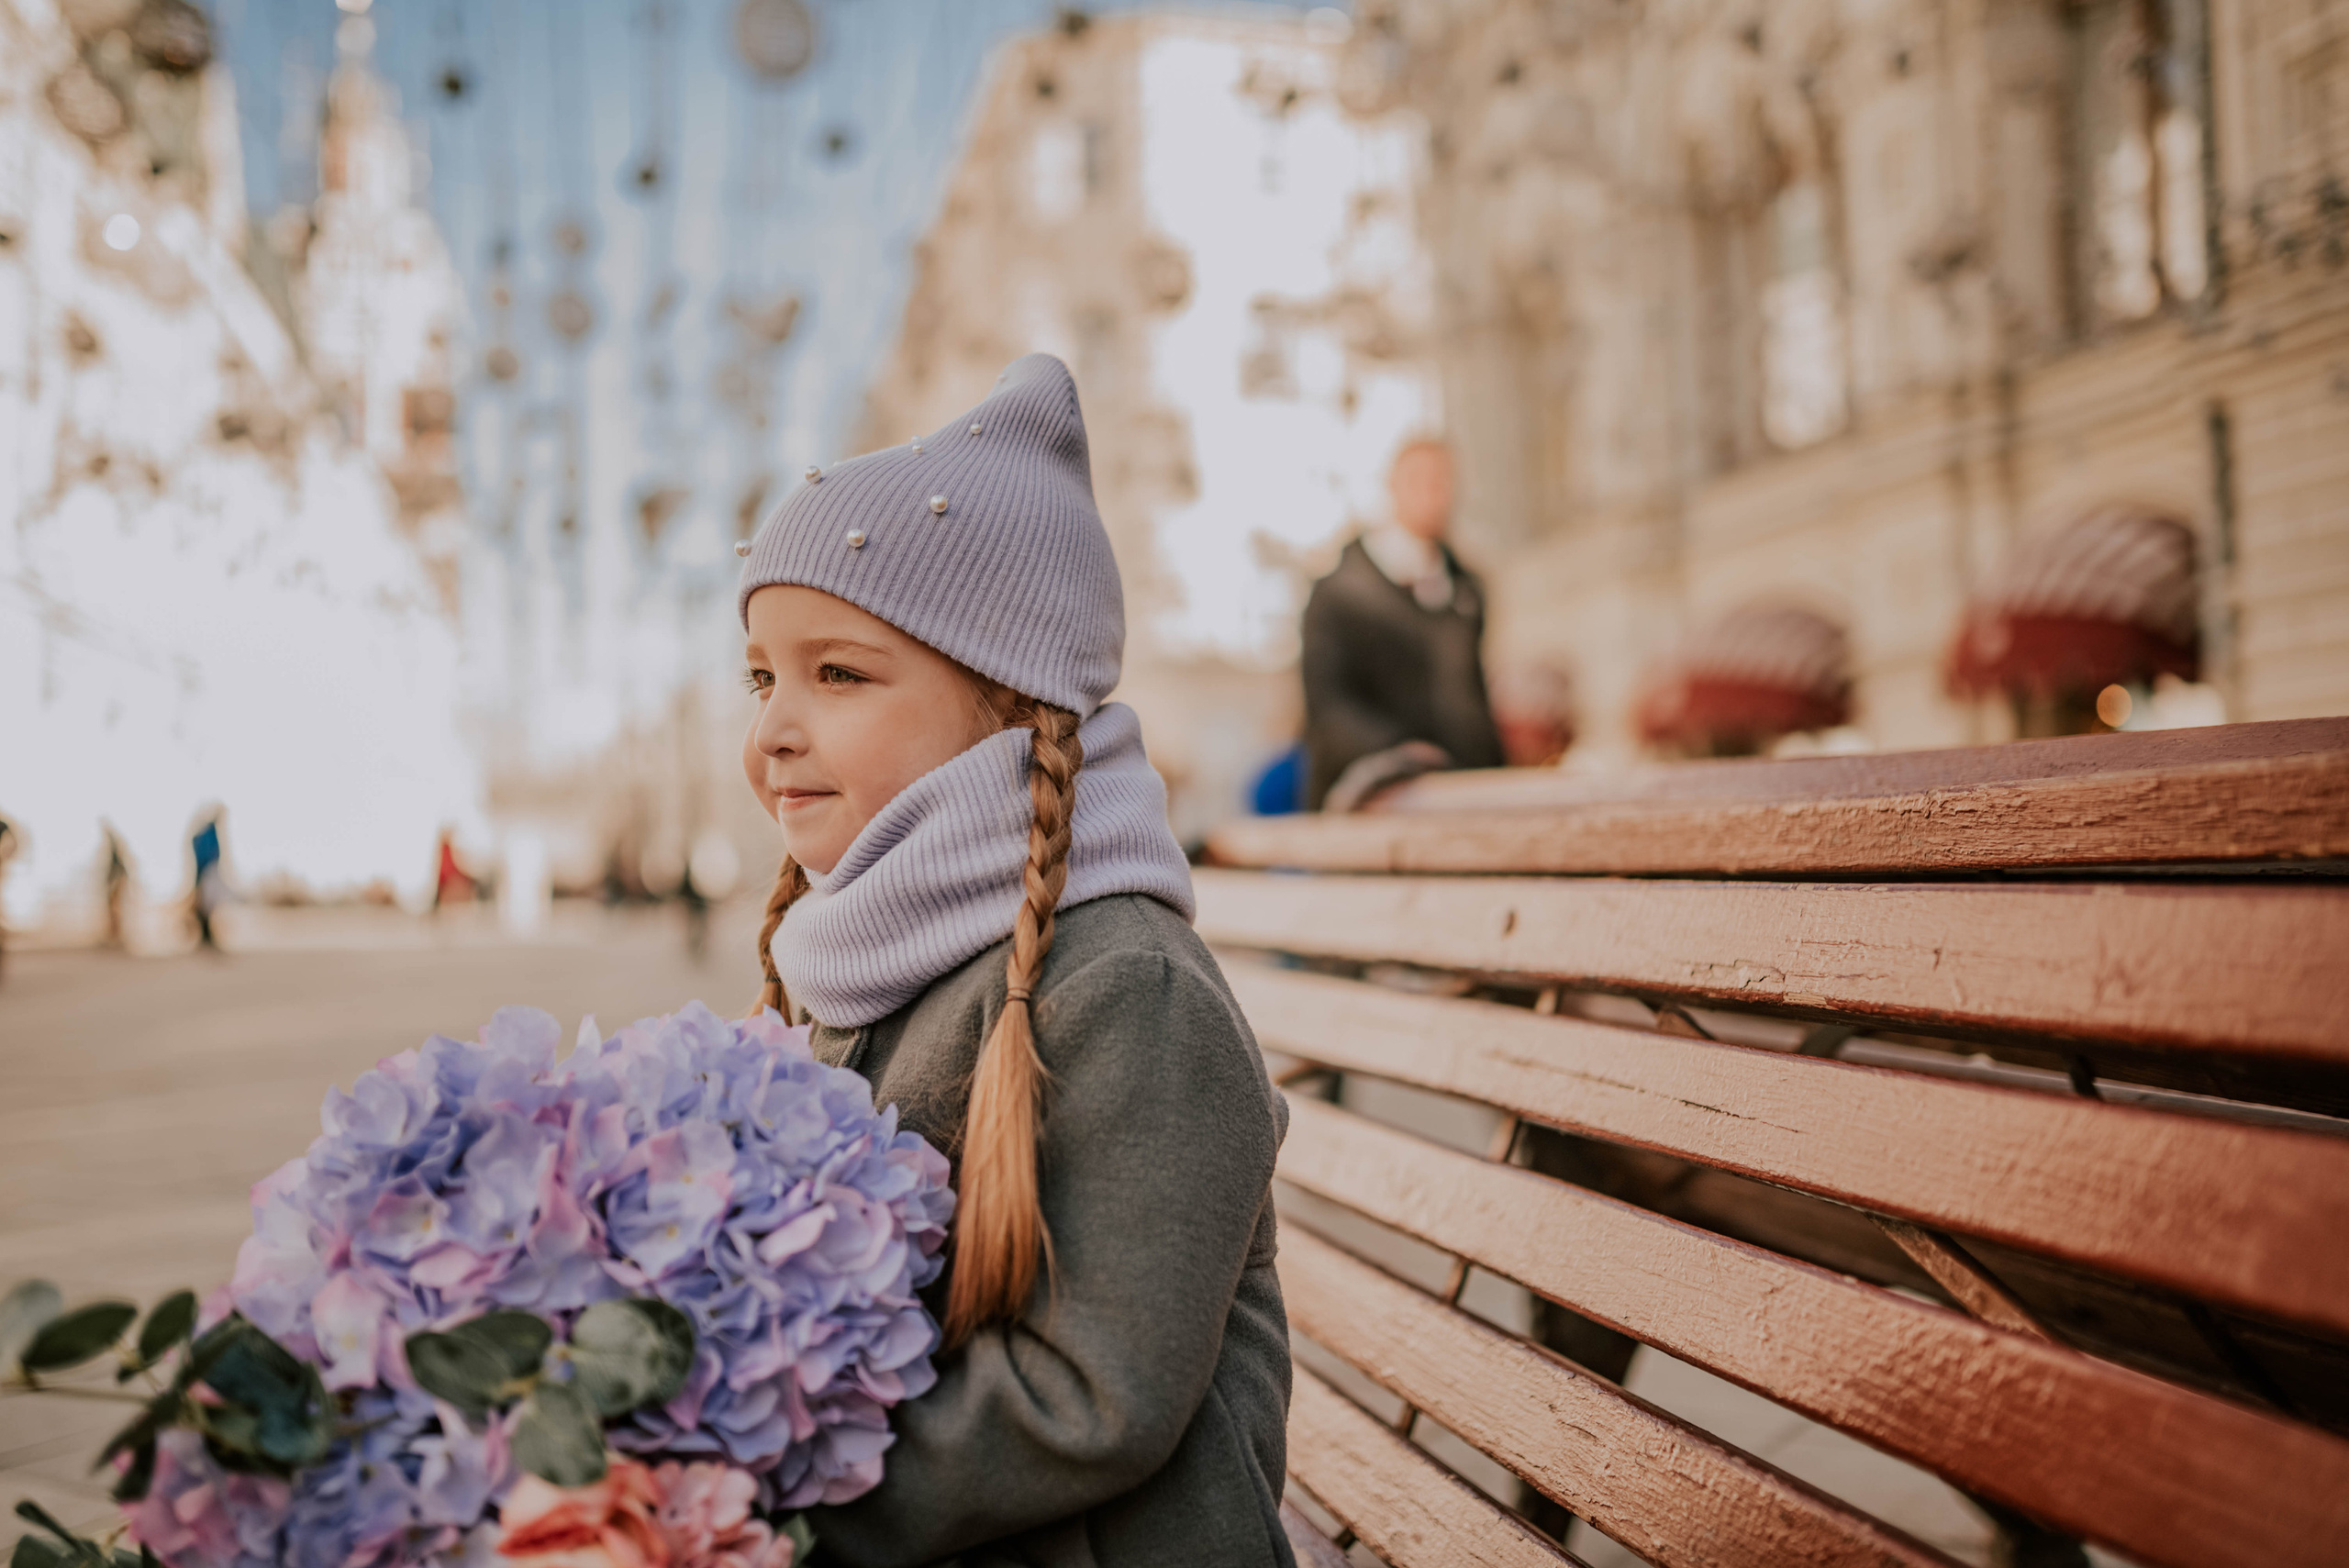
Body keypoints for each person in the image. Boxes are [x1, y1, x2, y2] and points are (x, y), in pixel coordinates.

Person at [735, 355, 1294, 1565]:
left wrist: (755, 1502)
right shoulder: (868, 962)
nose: (773, 726)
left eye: (836, 674)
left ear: (1008, 700)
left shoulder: (1125, 991)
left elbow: (1090, 1397)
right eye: (762, 675)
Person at [1300, 438, 1503, 808]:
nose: (1433, 494)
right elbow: (1328, 706)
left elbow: (1471, 695)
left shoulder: (1467, 591)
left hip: (1460, 790)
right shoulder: (1340, 593)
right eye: (1419, 481)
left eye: (1442, 482)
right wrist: (1400, 753)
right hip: (1371, 794)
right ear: (1393, 488)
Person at [189, 806, 225, 951]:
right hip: (206, 872)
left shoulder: (209, 832)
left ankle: (208, 937)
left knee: (209, 907)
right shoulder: (207, 833)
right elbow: (205, 856)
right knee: (204, 906)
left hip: (209, 872)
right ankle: (205, 937)